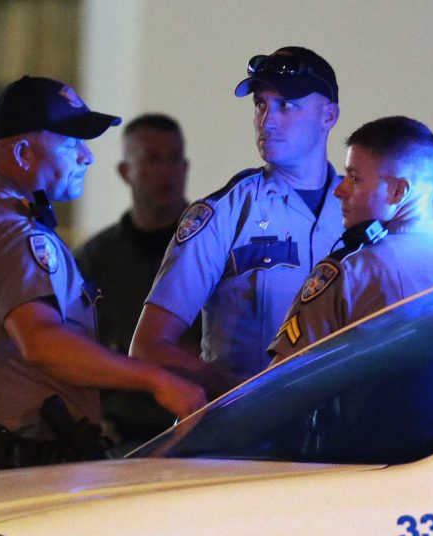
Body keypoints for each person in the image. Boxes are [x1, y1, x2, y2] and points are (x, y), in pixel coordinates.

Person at [0, 76, 206, 480]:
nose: (87, 157)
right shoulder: (13, 231)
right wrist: (157, 379)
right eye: (71, 142)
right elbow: (43, 343)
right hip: (1, 480)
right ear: (24, 152)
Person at [131, 46, 345, 397]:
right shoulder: (225, 213)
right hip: (246, 439)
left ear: (328, 116)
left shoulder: (361, 212)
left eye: (286, 105)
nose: (267, 121)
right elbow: (149, 345)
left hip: (342, 437)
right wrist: (237, 393)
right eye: (261, 104)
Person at [268, 116, 433, 361]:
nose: (339, 190)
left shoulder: (350, 271)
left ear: (398, 191)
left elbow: (282, 383)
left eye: (354, 178)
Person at [75, 113, 200, 449]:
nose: (167, 171)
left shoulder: (211, 248)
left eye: (175, 158)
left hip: (199, 429)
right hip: (118, 438)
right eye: (153, 159)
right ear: (124, 171)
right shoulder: (94, 259)